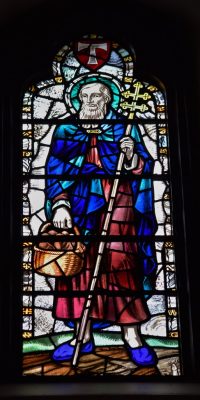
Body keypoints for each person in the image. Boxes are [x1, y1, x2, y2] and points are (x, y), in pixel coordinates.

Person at [45, 81, 158, 367]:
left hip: (119, 202)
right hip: (79, 207)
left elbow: (144, 167)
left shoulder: (125, 127)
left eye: (96, 95)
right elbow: (54, 170)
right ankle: (81, 337)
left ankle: (132, 336)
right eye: (84, 96)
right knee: (77, 270)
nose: (90, 100)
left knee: (122, 266)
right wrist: (60, 203)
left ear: (108, 99)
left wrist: (131, 155)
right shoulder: (66, 130)